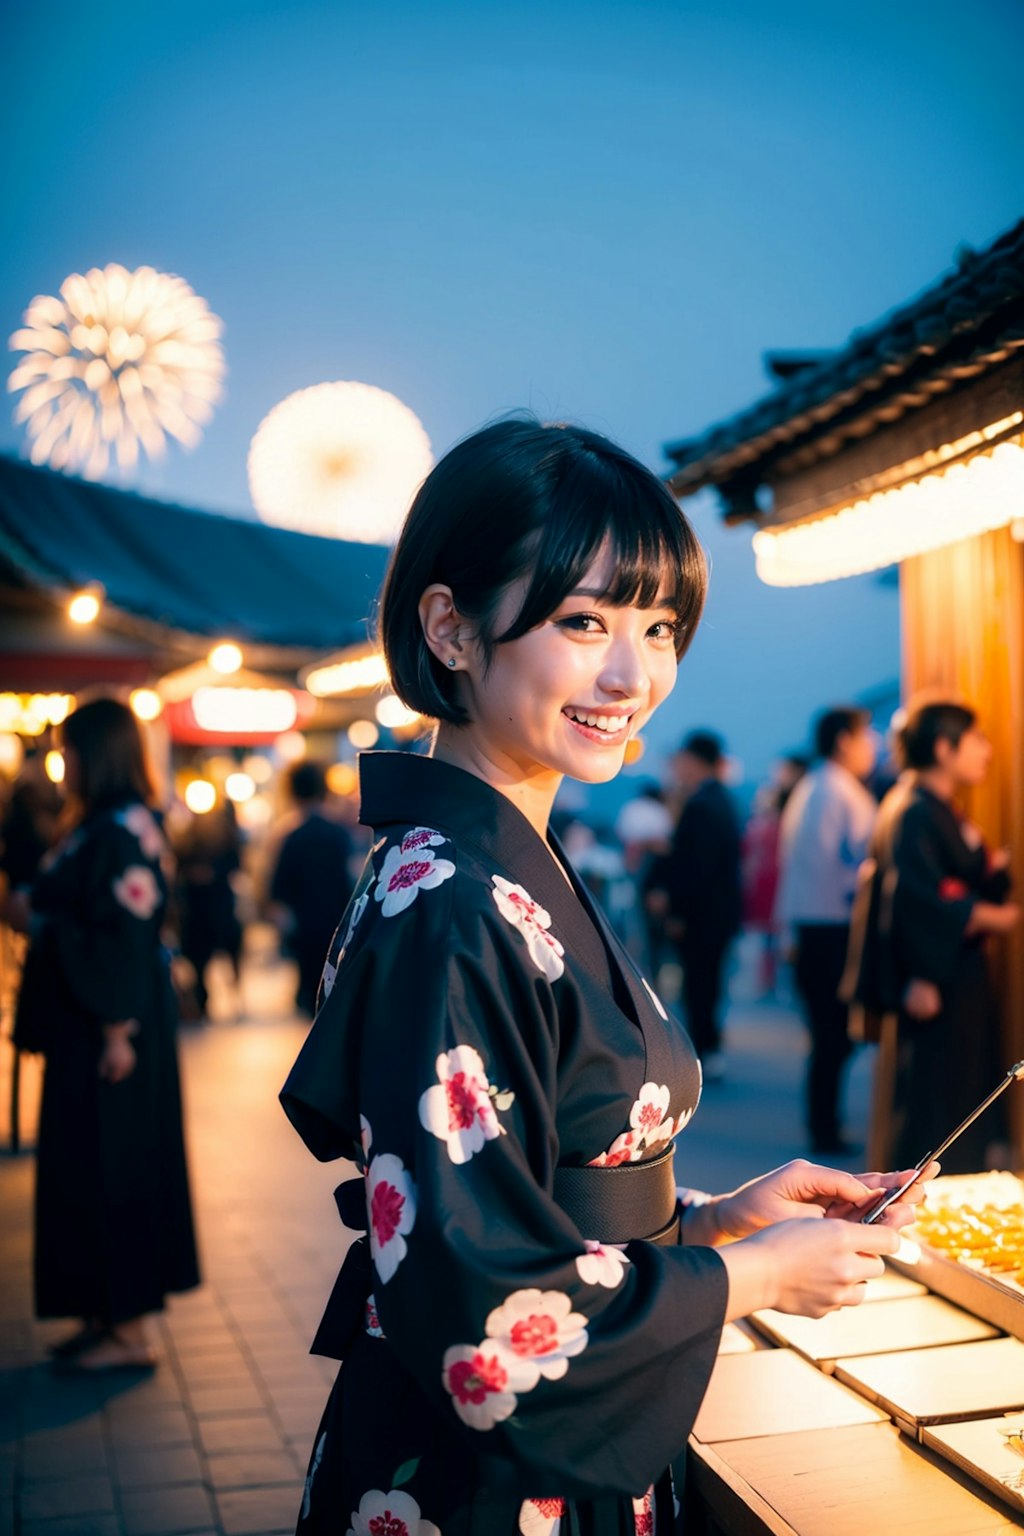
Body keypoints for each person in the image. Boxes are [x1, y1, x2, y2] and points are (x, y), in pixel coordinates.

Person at [279, 417, 927, 1536]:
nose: (633, 675)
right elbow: (478, 1304)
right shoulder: (445, 904)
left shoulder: (493, 868)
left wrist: (715, 1220)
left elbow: (540, 1185)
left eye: (661, 627)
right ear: (452, 629)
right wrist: (758, 1279)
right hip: (472, 1488)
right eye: (583, 621)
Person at [2, 697, 200, 1370]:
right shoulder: (110, 824)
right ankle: (103, 1314)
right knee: (88, 1169)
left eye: (70, 753)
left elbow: (123, 935)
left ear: (95, 754)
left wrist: (117, 1031)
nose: (63, 767)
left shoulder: (117, 828)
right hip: (96, 1027)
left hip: (113, 1033)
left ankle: (128, 1330)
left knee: (113, 1167)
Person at [844, 697, 1018, 1173]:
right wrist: (987, 920)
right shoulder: (914, 809)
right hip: (935, 979)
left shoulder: (930, 806)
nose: (986, 750)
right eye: (977, 739)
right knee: (939, 1100)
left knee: (956, 1093)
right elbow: (916, 900)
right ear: (945, 748)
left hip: (950, 972)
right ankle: (925, 1207)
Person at [776, 709, 877, 1154]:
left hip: (813, 927)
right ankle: (825, 1128)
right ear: (843, 740)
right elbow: (852, 866)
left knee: (829, 1035)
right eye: (866, 736)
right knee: (832, 1035)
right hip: (832, 928)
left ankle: (824, 1123)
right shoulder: (836, 791)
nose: (872, 745)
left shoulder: (814, 787)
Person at [659, 731, 742, 1077]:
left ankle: (702, 1053)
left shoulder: (701, 804)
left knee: (699, 985)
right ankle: (709, 1049)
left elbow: (695, 867)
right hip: (720, 912)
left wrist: (678, 911)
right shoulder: (721, 798)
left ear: (695, 761)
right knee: (708, 983)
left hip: (702, 915)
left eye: (682, 760)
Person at [268, 761, 356, 1017]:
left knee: (310, 996)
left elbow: (279, 889)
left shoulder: (291, 837)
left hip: (304, 928)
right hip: (337, 924)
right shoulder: (340, 834)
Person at [173, 800, 244, 1019]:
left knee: (216, 951)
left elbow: (234, 864)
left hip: (214, 905)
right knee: (199, 957)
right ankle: (202, 999)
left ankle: (227, 994)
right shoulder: (188, 839)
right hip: (199, 908)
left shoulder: (226, 838)